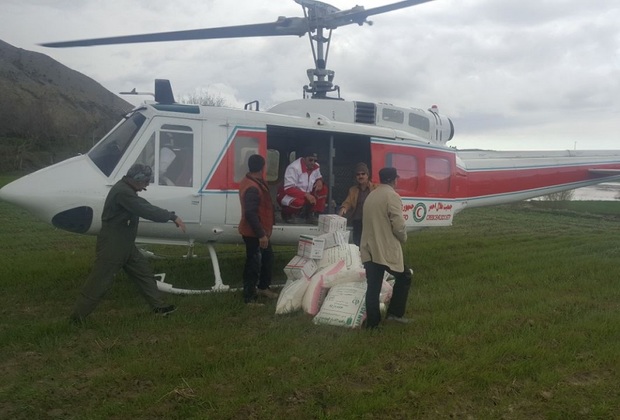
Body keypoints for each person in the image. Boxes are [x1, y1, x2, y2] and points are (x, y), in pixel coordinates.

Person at [70, 163, 186, 322]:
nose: (146, 185)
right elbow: (145, 209)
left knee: (144, 273)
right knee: (99, 281)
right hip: (113, 245)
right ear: (138, 179)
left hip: (125, 244)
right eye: (145, 181)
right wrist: (171, 216)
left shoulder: (126, 190)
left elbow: (143, 205)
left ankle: (158, 307)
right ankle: (78, 317)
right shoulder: (123, 192)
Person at [360, 167, 412, 329]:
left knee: (373, 286)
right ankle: (394, 314)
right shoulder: (392, 196)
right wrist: (403, 237)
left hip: (368, 248)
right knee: (404, 276)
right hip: (384, 248)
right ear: (393, 179)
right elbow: (398, 224)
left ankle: (373, 324)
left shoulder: (371, 195)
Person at [238, 154, 278, 304]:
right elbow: (250, 213)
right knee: (253, 265)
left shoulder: (253, 182)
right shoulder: (253, 187)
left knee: (267, 259)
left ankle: (263, 287)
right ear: (262, 167)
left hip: (261, 232)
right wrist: (261, 235)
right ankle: (249, 297)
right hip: (254, 233)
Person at [276, 149, 328, 224]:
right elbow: (288, 189)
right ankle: (287, 215)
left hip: (305, 193)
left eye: (315, 160)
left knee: (323, 188)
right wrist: (306, 195)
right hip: (286, 194)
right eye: (310, 160)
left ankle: (312, 214)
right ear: (304, 159)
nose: (313, 163)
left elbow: (319, 176)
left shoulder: (316, 166)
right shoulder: (294, 168)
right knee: (298, 202)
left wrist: (320, 181)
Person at [337, 162, 377, 246]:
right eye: (358, 174)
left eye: (363, 174)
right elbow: (348, 202)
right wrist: (343, 208)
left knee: (371, 245)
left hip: (371, 221)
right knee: (358, 245)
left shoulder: (375, 188)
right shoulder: (353, 190)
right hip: (358, 221)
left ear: (367, 175)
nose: (360, 176)